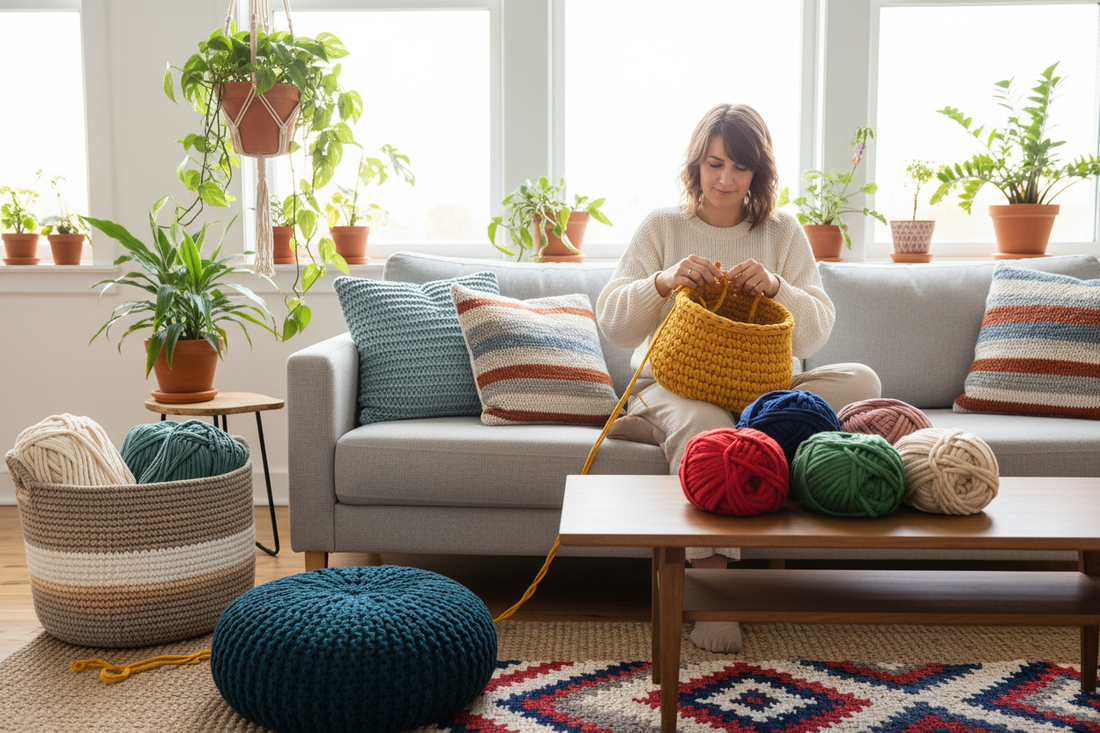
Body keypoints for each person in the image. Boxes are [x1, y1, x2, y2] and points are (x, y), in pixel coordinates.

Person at [596, 103, 881, 653]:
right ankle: (713, 594)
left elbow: (814, 335)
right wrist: (663, 280)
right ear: (695, 166)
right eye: (714, 164)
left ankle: (667, 429)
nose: (725, 179)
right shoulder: (663, 226)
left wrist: (776, 286)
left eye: (740, 168)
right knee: (708, 426)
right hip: (674, 382)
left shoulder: (782, 231)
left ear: (759, 173)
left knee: (861, 381)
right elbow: (613, 321)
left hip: (763, 391)